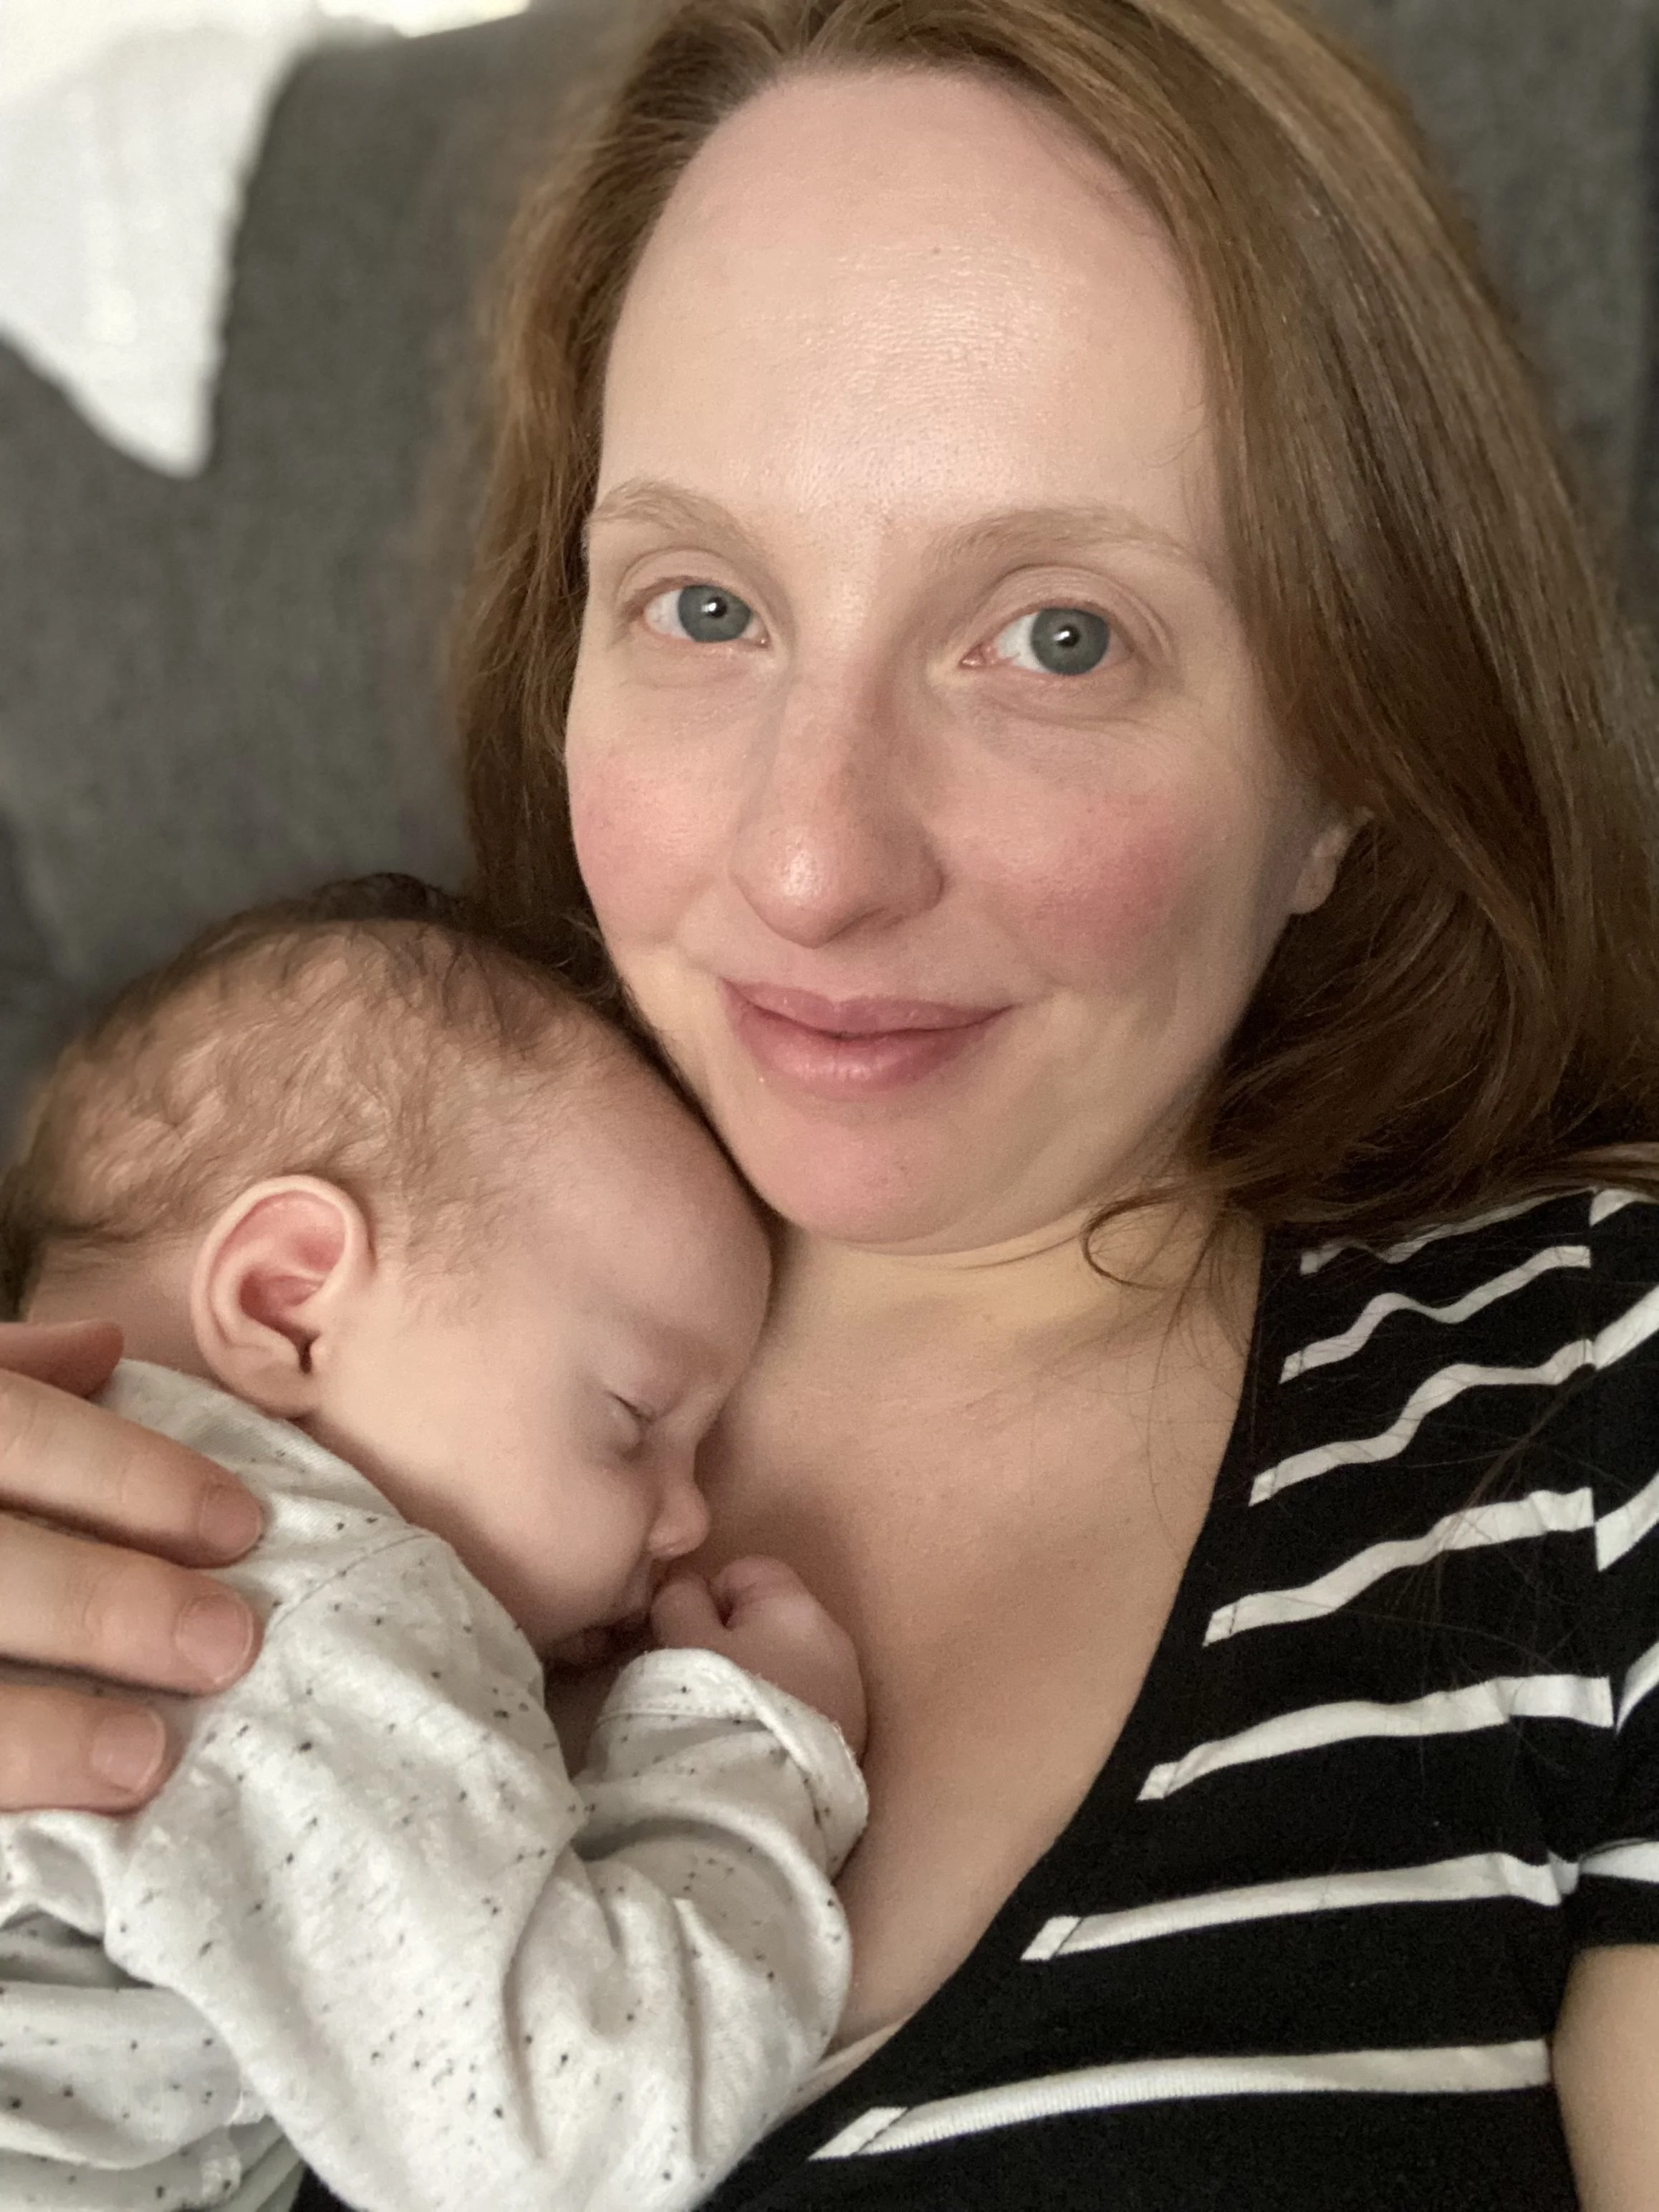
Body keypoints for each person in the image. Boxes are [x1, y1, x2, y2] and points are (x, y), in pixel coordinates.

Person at [0, 0, 1655, 2204]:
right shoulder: (184, 1317)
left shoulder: (1580, 1414)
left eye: (1054, 638)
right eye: (701, 603)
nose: (808, 861)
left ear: (1350, 744)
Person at [0, 877, 865, 2212]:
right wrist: (741, 1765)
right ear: (289, 1308)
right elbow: (569, 2135)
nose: (689, 1520)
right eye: (634, 1419)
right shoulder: (288, 1607)